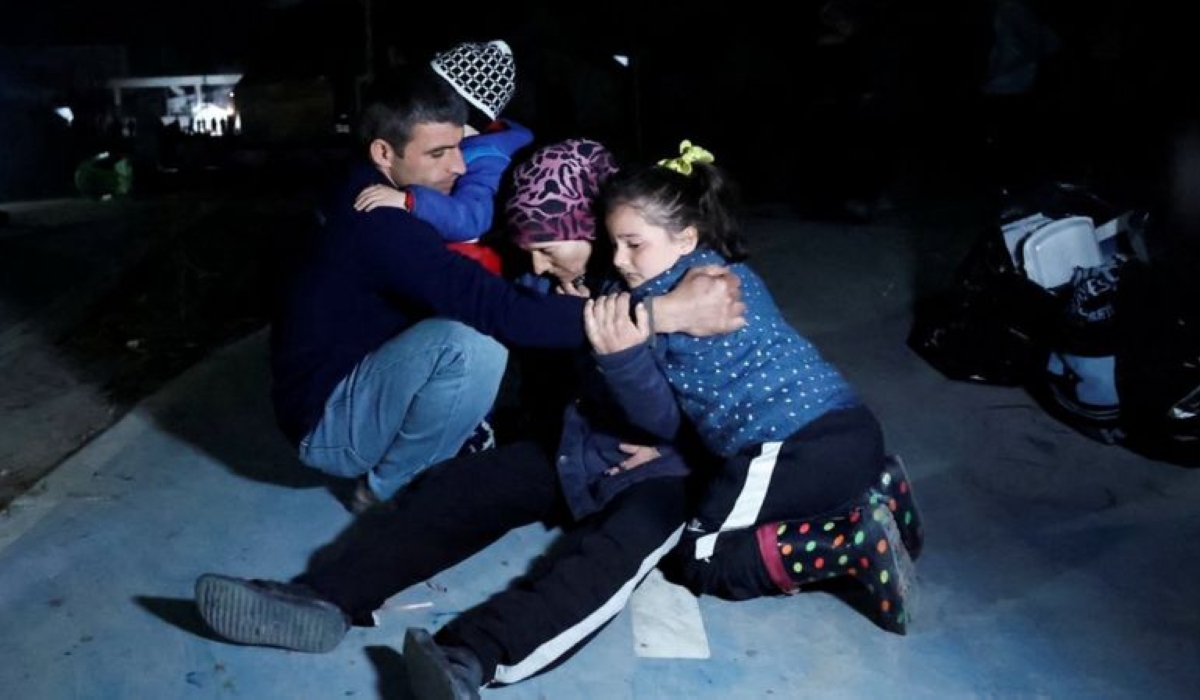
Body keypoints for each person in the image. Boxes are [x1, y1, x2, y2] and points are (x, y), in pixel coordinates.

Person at [196, 139, 705, 699]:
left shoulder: (683, 283)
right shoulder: (547, 284)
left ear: (591, 227)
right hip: (577, 446)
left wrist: (679, 448)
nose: (536, 262)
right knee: (459, 490)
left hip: (665, 472)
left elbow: (744, 401)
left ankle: (469, 659)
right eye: (527, 248)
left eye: (545, 245)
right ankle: (325, 597)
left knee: (606, 559)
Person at [270, 67, 745, 513]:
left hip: (348, 379)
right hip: (330, 425)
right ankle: (387, 495)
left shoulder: (370, 185)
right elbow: (498, 310)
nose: (458, 166)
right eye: (437, 154)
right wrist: (665, 312)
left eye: (459, 146)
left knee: (500, 330)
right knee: (473, 346)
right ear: (383, 153)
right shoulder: (381, 223)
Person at [583, 140, 924, 634]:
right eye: (612, 243)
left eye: (634, 244)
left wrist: (619, 340)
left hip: (791, 451)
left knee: (699, 558)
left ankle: (849, 541)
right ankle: (878, 490)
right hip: (854, 429)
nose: (618, 259)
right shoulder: (728, 273)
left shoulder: (654, 304)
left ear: (683, 238)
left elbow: (650, 409)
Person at [354, 40, 532, 275]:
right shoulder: (480, 146)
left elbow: (471, 221)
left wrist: (410, 201)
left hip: (476, 265)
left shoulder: (490, 160)